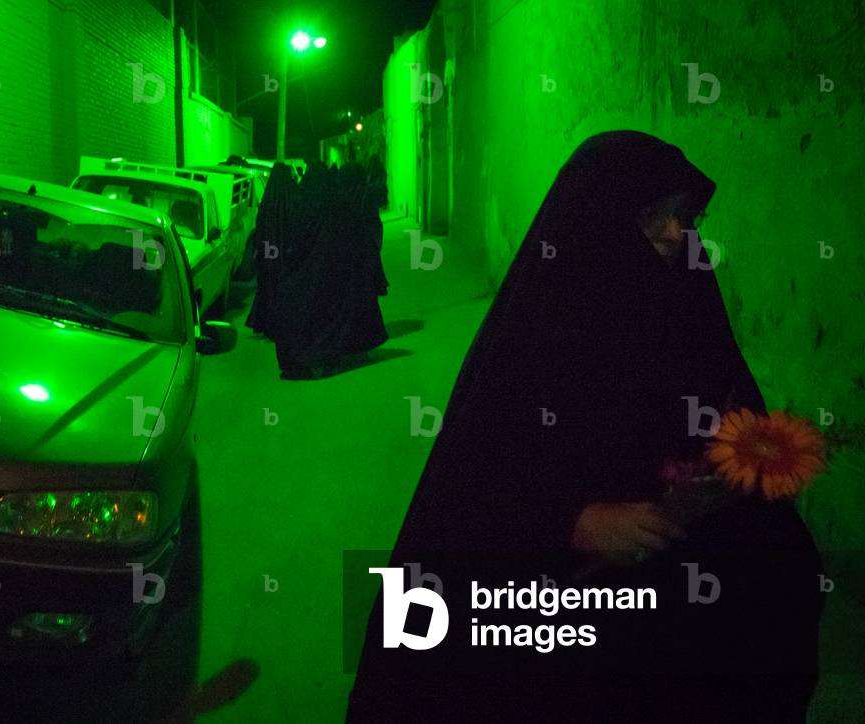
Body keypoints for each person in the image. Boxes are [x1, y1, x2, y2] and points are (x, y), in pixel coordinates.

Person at [346, 131, 822, 723]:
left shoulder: (687, 296)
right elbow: (474, 485)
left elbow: (729, 409)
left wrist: (745, 465)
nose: (677, 235)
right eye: (654, 219)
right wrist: (571, 523)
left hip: (679, 555)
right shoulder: (539, 331)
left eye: (684, 217)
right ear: (597, 226)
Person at [273, 161, 389, 378]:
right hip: (338, 272)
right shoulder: (339, 201)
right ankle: (331, 354)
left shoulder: (307, 202)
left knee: (311, 312)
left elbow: (297, 242)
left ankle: (314, 357)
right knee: (331, 316)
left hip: (317, 273)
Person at [245, 163, 297, 338]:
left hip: (269, 250)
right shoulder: (291, 198)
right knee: (283, 285)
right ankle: (281, 325)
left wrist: (264, 251)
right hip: (284, 250)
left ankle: (267, 324)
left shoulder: (268, 202)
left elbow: (261, 229)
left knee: (268, 284)